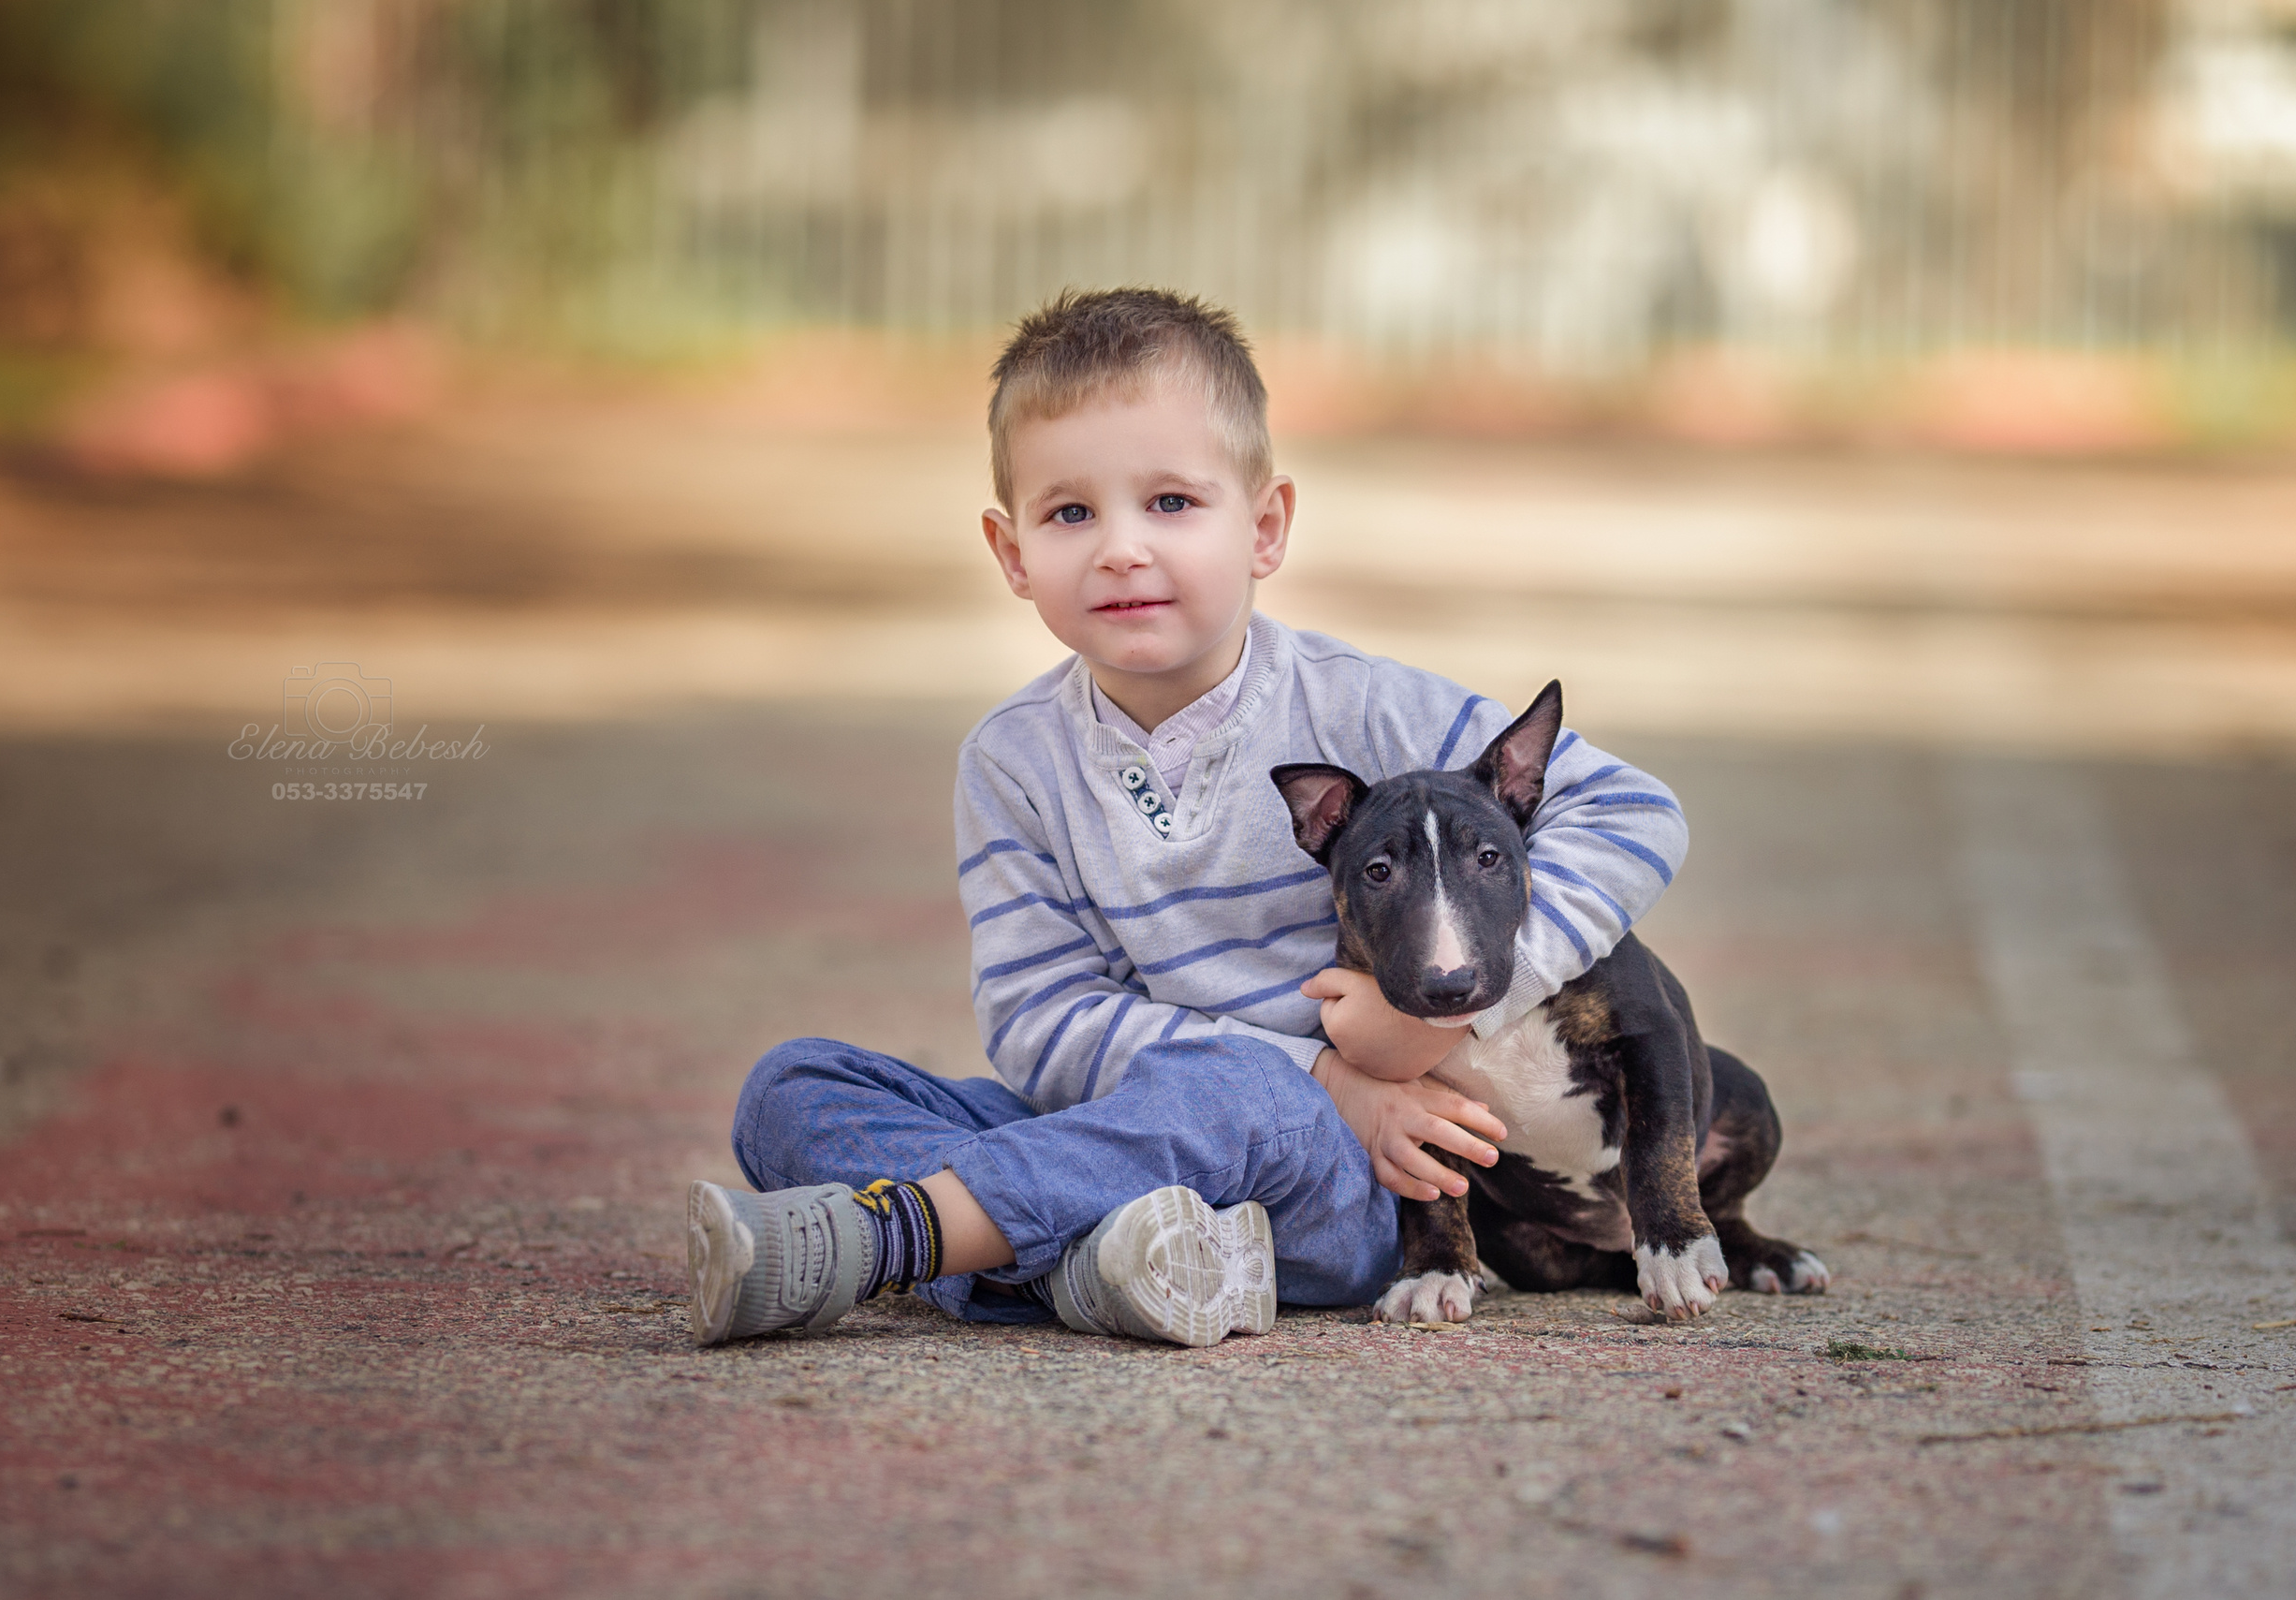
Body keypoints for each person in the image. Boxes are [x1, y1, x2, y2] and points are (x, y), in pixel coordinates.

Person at [689, 288, 1688, 1346]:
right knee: (791, 1088)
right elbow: (1038, 1020)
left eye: (1169, 502)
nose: (1121, 548)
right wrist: (1324, 1072)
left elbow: (1632, 808)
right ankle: (1096, 1264)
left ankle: (896, 1237)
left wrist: (1446, 1019)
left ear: (1263, 527)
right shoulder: (1013, 760)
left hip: (1332, 1174)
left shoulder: (1364, 706)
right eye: (1071, 513)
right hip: (1139, 1124)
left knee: (1233, 1094)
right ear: (1012, 550)